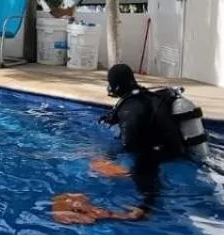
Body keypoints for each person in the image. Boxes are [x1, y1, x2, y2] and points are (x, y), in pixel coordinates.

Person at [52, 64, 204, 225]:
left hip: (161, 151)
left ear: (116, 84)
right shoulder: (148, 97)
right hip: (176, 146)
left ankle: (144, 209)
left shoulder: (130, 107)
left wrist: (108, 157)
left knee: (143, 169)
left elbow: (129, 143)